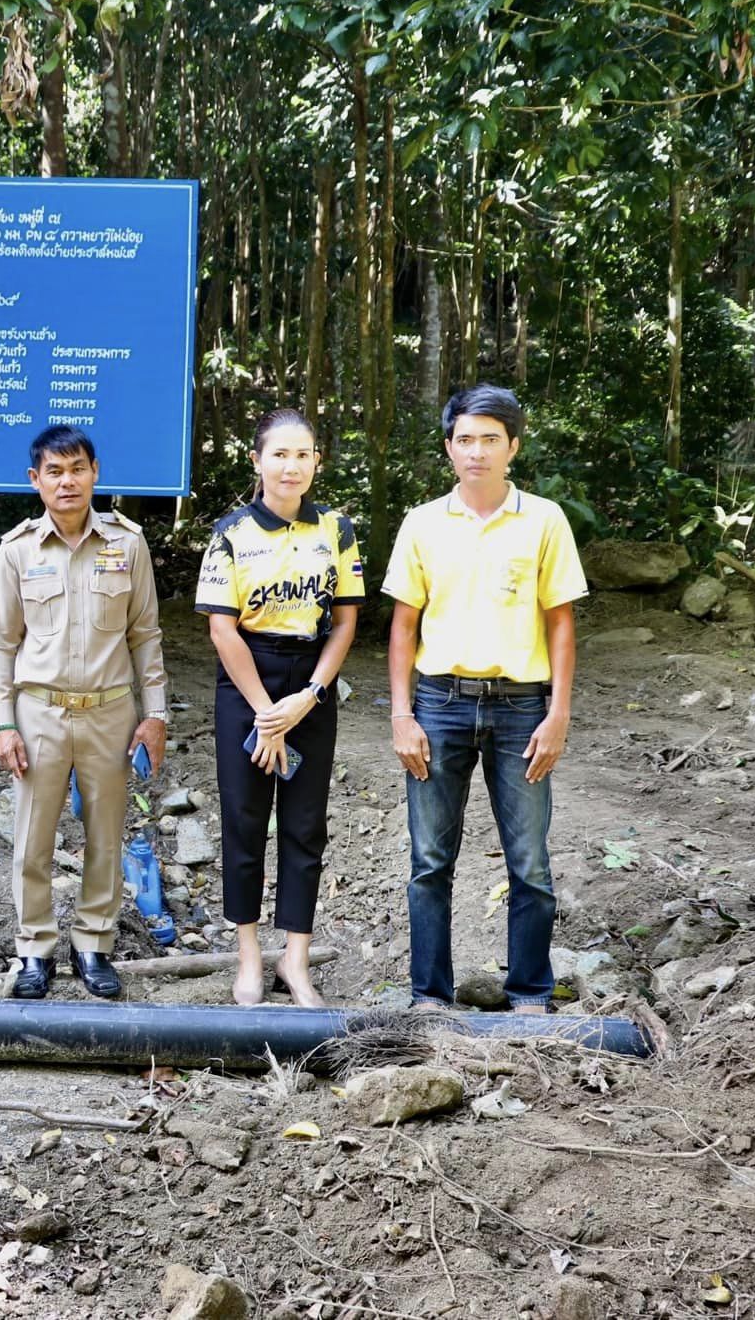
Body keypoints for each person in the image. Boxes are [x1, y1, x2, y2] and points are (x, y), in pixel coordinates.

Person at [381, 384, 588, 1014]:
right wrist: (401, 714)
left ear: (513, 446)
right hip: (438, 704)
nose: (477, 452)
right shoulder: (422, 523)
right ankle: (429, 999)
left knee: (529, 860)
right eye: (465, 439)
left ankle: (529, 994)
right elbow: (402, 627)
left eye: (490, 439)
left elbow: (560, 623)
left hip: (522, 707)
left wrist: (557, 714)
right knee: (429, 861)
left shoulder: (545, 519)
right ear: (448, 448)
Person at [0, 425, 168, 1000]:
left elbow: (145, 635)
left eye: (78, 469)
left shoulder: (127, 545)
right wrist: (3, 723)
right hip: (37, 713)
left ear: (95, 473)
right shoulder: (17, 550)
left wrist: (155, 713)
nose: (68, 482)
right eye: (55, 472)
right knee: (33, 840)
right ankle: (34, 950)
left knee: (105, 837)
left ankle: (94, 944)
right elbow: (1, 644)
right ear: (35, 480)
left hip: (110, 713)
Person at [195, 409, 361, 1008]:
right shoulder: (231, 533)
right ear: (257, 461)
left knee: (304, 825)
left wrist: (308, 698)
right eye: (279, 455)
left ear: (317, 462)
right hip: (248, 685)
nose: (291, 466)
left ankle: (295, 959)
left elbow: (345, 625)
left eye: (303, 455)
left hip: (311, 683)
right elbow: (221, 629)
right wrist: (268, 713)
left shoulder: (337, 531)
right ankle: (247, 957)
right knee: (243, 823)